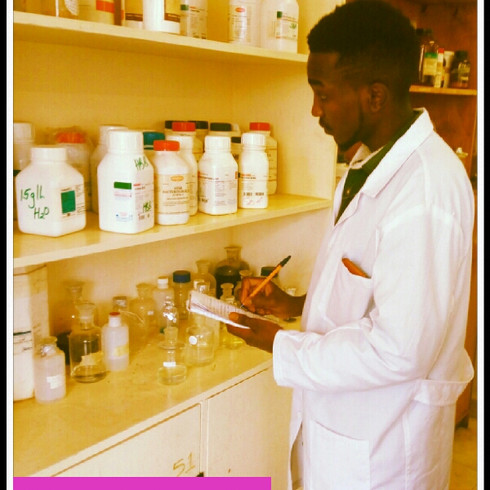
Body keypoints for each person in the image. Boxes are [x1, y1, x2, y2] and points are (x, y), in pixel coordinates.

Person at [226, 1, 475, 488]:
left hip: (386, 452)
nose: (315, 111)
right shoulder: (365, 164)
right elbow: (368, 291)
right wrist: (292, 305)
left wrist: (280, 345)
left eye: (323, 93)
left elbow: (400, 350)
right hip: (347, 431)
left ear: (374, 96)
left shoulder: (424, 192)